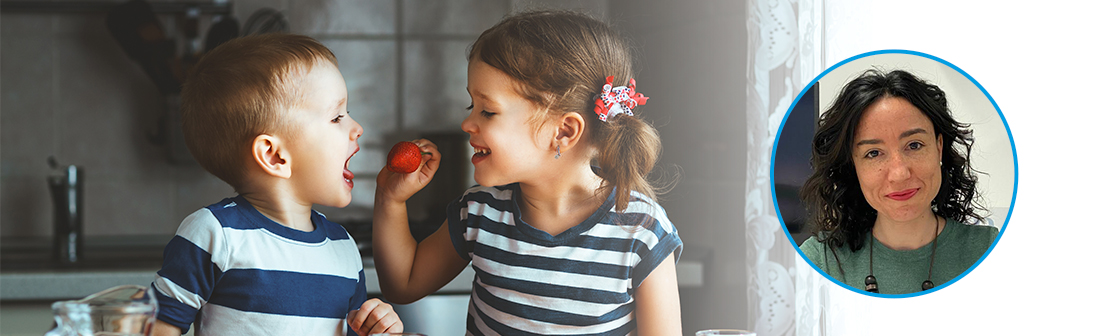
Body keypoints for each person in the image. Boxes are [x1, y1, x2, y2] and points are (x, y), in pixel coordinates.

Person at [371, 10, 684, 335]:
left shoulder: (641, 231)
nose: (467, 123)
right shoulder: (479, 213)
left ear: (563, 131)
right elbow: (403, 285)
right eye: (471, 107)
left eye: (488, 111)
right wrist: (390, 199)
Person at [149, 33, 402, 336]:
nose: (357, 128)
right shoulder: (214, 234)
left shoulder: (343, 249)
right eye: (337, 117)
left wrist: (377, 329)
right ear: (274, 155)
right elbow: (157, 328)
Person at [798, 69, 999, 295]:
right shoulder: (820, 261)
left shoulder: (992, 250)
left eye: (914, 145)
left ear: (939, 148)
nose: (899, 174)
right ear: (853, 166)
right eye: (873, 153)